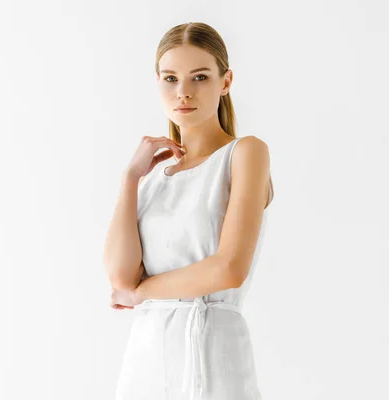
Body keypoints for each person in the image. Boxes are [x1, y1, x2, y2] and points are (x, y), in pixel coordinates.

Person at [103, 22, 274, 400]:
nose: (183, 92)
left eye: (199, 77)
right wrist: (130, 178)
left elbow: (229, 269)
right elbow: (120, 278)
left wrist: (143, 292)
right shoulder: (151, 179)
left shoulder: (245, 153)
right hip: (147, 357)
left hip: (212, 347)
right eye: (170, 78)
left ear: (225, 81)